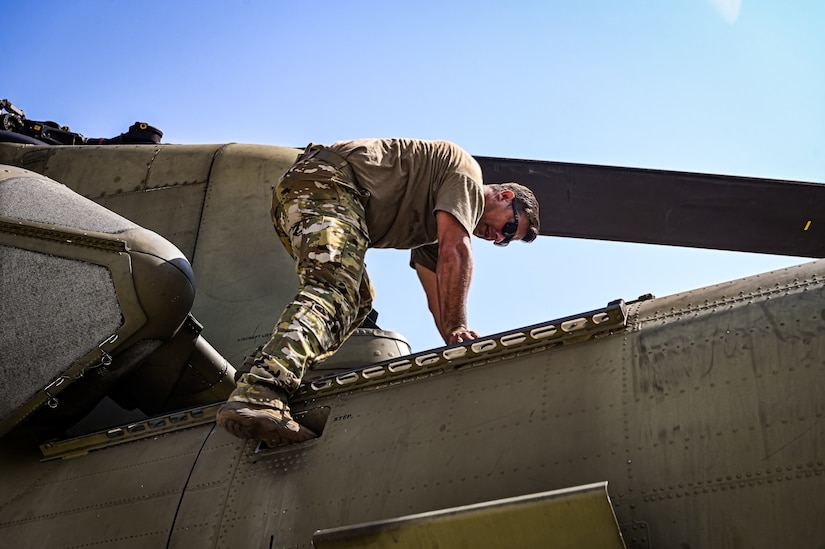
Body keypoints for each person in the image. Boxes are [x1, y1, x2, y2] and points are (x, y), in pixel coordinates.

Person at [216, 138, 540, 445]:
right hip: (326, 185)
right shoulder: (466, 174)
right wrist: (458, 326)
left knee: (357, 301)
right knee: (335, 289)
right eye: (508, 227)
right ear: (505, 197)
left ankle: (260, 369)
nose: (497, 237)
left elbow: (437, 299)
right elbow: (457, 250)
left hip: (318, 195)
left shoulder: (436, 229)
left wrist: (456, 347)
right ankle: (261, 390)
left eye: (504, 241)